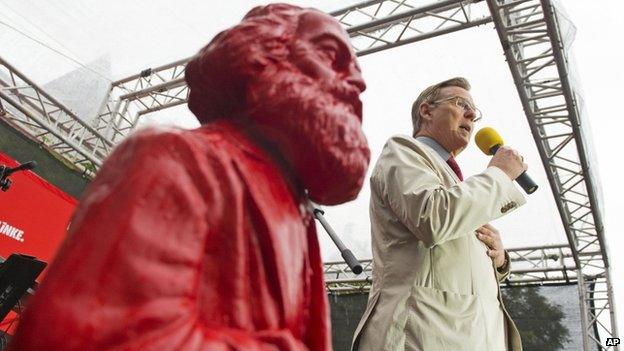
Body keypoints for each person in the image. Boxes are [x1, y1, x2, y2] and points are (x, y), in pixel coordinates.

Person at [11, 4, 370, 350]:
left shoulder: (300, 218)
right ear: (261, 57)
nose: (357, 83)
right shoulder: (176, 159)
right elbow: (99, 335)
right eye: (329, 55)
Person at [352, 77, 527, 351]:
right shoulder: (403, 151)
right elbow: (432, 219)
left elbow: (450, 265)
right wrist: (500, 174)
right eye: (461, 104)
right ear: (427, 111)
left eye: (475, 111)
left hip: (475, 336)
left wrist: (498, 260)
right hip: (420, 334)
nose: (471, 114)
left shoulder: (460, 186)